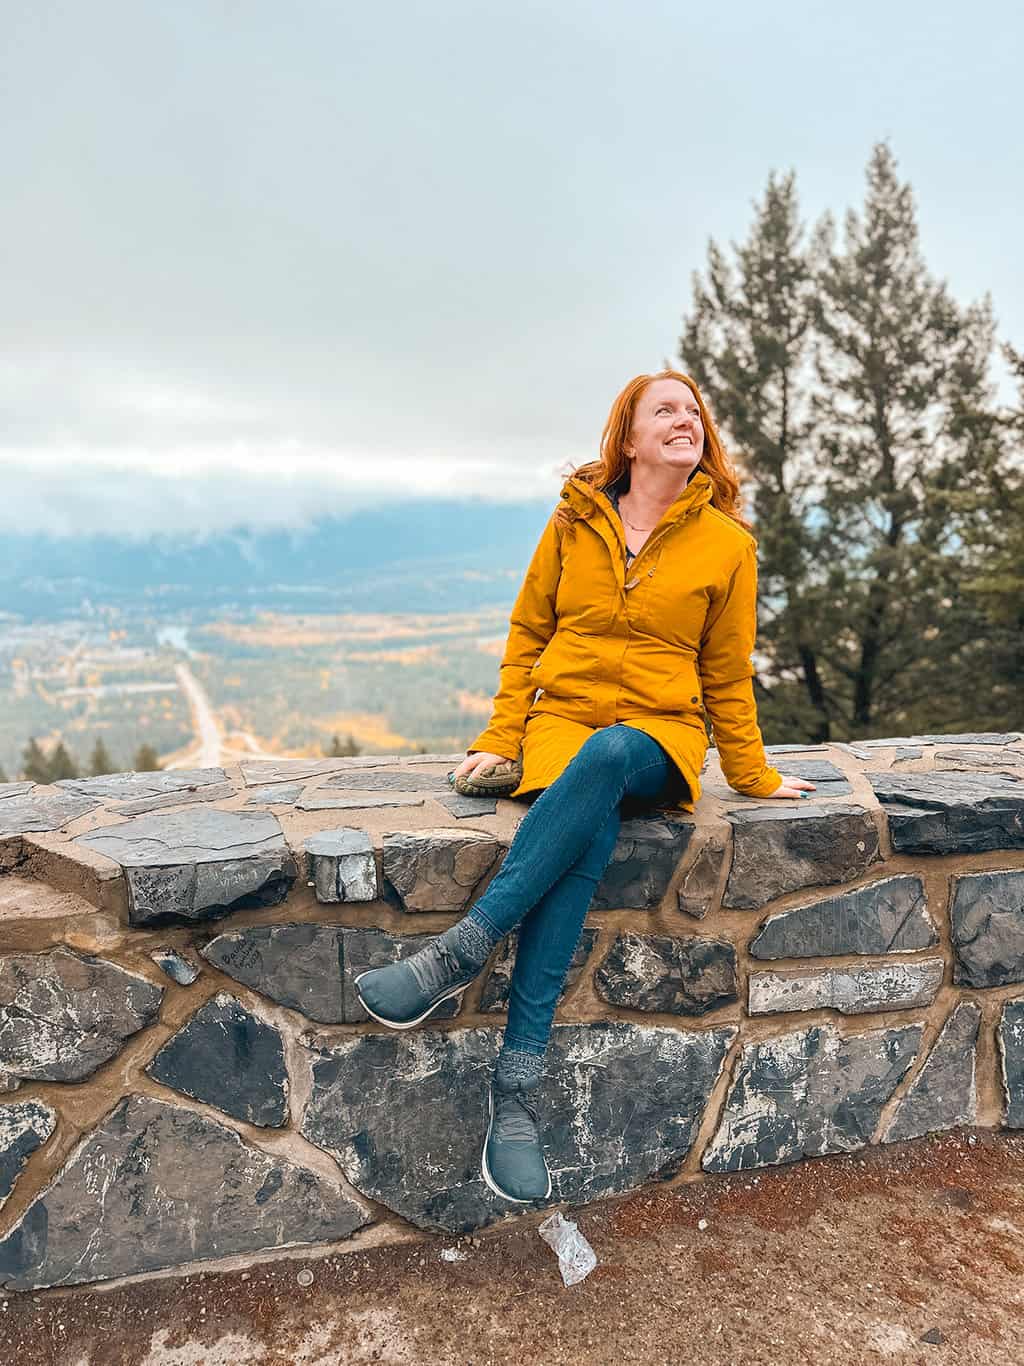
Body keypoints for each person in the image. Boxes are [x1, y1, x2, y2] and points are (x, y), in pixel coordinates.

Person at [354, 369, 816, 1205]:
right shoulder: (574, 520)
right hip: (558, 730)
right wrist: (501, 739)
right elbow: (530, 629)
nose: (685, 420)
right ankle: (517, 1091)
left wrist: (751, 774)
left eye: (694, 412)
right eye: (664, 410)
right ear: (630, 439)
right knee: (586, 830)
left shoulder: (727, 545)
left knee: (603, 763)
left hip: (656, 742)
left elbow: (727, 672)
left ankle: (462, 950)